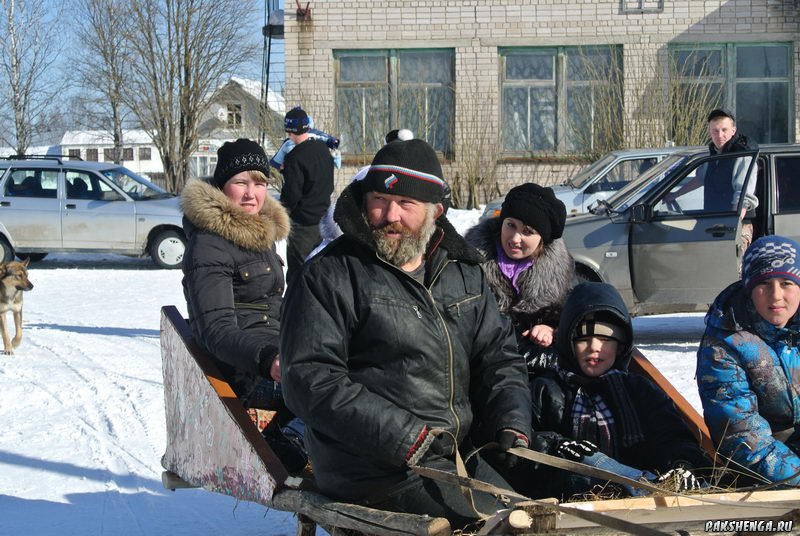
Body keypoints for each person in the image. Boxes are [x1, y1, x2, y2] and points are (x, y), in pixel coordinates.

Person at [280, 138, 532, 529]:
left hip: (452, 455)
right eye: (379, 199)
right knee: (497, 528)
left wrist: (512, 420)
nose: (389, 215)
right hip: (371, 467)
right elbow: (309, 378)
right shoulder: (330, 274)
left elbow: (499, 355)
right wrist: (405, 438)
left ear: (436, 211)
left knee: (531, 520)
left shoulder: (463, 271)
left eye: (406, 205)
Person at [181, 139, 306, 472]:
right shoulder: (209, 245)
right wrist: (269, 360)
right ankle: (295, 439)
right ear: (223, 187)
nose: (252, 193)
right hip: (248, 370)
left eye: (260, 182)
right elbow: (216, 330)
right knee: (329, 378)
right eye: (241, 182)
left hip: (280, 349)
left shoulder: (258, 235)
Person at [524, 282, 711, 500]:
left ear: (620, 346)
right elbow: (527, 436)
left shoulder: (638, 389)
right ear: (568, 343)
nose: (595, 347)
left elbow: (672, 436)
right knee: (587, 460)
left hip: (637, 494)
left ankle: (647, 486)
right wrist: (556, 444)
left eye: (605, 340)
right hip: (571, 492)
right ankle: (646, 487)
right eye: (584, 339)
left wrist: (683, 463)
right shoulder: (546, 388)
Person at [696, 236, 800, 487]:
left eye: (786, 283)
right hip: (767, 478)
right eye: (764, 284)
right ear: (749, 288)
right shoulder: (724, 344)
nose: (776, 296)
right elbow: (743, 438)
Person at [465, 183, 574, 372]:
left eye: (527, 232)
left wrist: (552, 328)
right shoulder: (469, 263)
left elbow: (576, 316)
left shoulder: (561, 273)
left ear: (543, 238)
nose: (515, 238)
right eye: (511, 225)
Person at [665, 109, 759, 255]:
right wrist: (674, 195)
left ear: (733, 131)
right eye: (715, 131)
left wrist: (732, 225)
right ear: (709, 132)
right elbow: (701, 179)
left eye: (724, 130)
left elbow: (743, 195)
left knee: (733, 272)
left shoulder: (743, 153)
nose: (719, 135)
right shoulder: (714, 154)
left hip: (736, 224)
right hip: (716, 222)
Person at [280, 106, 335, 283]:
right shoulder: (322, 149)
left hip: (303, 225)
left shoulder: (294, 157)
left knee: (299, 275)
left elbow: (292, 195)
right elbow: (330, 184)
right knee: (321, 274)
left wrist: (283, 211)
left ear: (289, 130)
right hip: (325, 222)